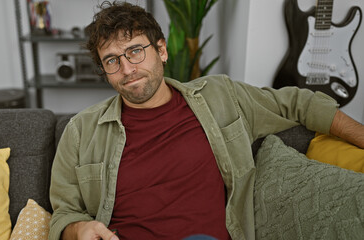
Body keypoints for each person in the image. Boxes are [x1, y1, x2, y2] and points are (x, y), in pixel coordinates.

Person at [48, 1, 364, 240]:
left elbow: (300, 104)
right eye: (112, 61)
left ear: (162, 50)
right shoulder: (81, 130)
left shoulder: (221, 96)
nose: (127, 69)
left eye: (135, 51)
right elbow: (64, 213)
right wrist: (79, 229)